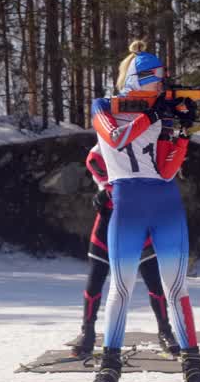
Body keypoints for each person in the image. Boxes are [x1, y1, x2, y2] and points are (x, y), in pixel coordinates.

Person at [88, 40, 200, 382]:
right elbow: (115, 135)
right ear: (140, 79)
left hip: (165, 203)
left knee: (177, 289)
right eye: (156, 80)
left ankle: (193, 364)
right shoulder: (105, 107)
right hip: (127, 204)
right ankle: (109, 365)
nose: (161, 86)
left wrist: (182, 132)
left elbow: (168, 169)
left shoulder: (161, 111)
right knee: (121, 289)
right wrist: (153, 115)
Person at [65, 144, 179, 358]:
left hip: (139, 221)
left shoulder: (146, 140)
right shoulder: (105, 142)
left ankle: (165, 331)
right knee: (94, 281)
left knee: (154, 281)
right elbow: (94, 160)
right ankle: (87, 332)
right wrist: (106, 190)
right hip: (109, 221)